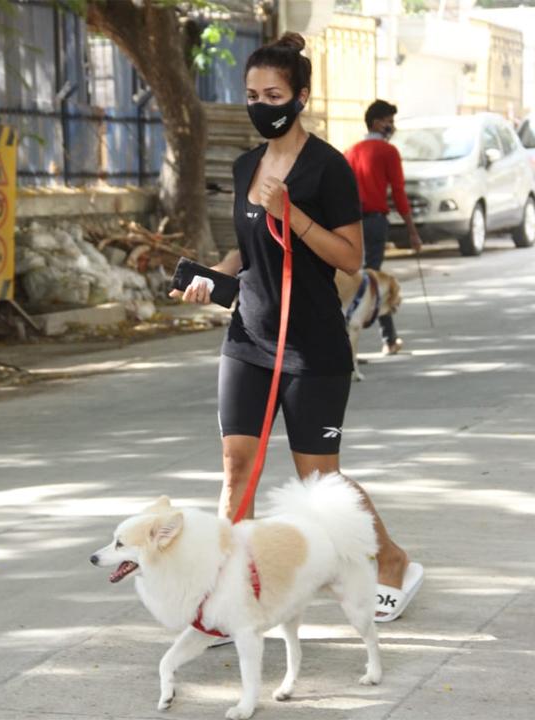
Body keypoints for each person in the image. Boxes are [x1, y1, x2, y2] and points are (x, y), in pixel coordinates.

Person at [170, 33, 422, 623]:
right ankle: (230, 598)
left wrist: (294, 215)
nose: (261, 104)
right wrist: (212, 276)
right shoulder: (244, 166)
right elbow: (246, 251)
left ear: (301, 97)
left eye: (273, 94)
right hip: (248, 340)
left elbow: (351, 259)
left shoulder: (330, 169)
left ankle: (390, 558)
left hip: (311, 348)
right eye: (252, 94)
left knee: (320, 484)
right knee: (236, 468)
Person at [345, 99, 422, 355]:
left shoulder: (350, 152)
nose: (392, 126)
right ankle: (388, 340)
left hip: (349, 224)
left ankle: (353, 340)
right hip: (375, 222)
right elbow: (399, 193)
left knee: (355, 278)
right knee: (372, 279)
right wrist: (411, 230)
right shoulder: (388, 153)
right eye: (389, 121)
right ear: (377, 122)